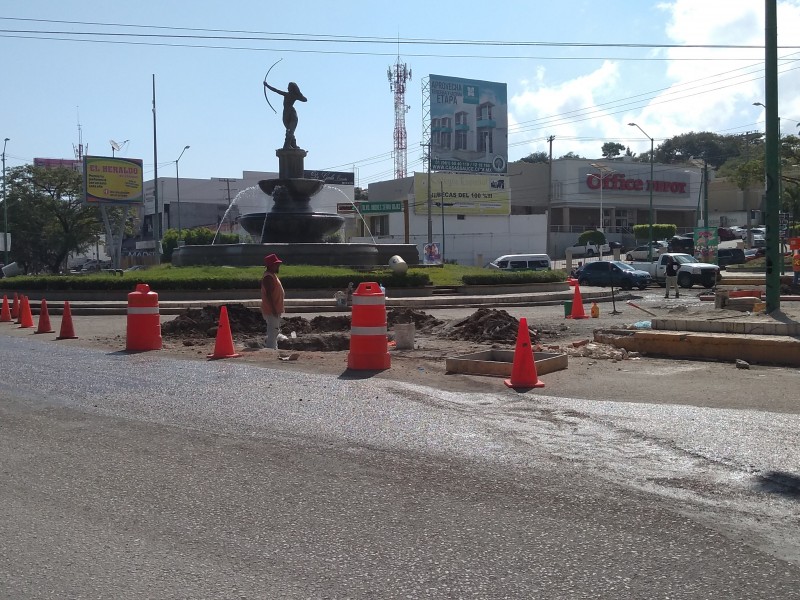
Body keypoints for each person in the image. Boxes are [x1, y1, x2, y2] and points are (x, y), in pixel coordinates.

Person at [264, 80, 307, 149]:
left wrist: (267, 85)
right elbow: (276, 90)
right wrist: (267, 85)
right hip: (286, 113)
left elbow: (305, 99)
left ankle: (288, 145)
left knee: (290, 130)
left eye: (289, 87)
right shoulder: (289, 95)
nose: (287, 88)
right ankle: (292, 145)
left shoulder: (292, 95)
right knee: (289, 129)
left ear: (292, 88)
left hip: (291, 113)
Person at [260, 253, 285, 349]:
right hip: (271, 310)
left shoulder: (271, 275)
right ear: (271, 265)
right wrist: (274, 309)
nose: (278, 266)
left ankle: (273, 347)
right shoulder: (268, 277)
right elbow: (269, 294)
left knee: (274, 330)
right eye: (276, 264)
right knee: (273, 330)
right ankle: (271, 348)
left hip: (274, 309)